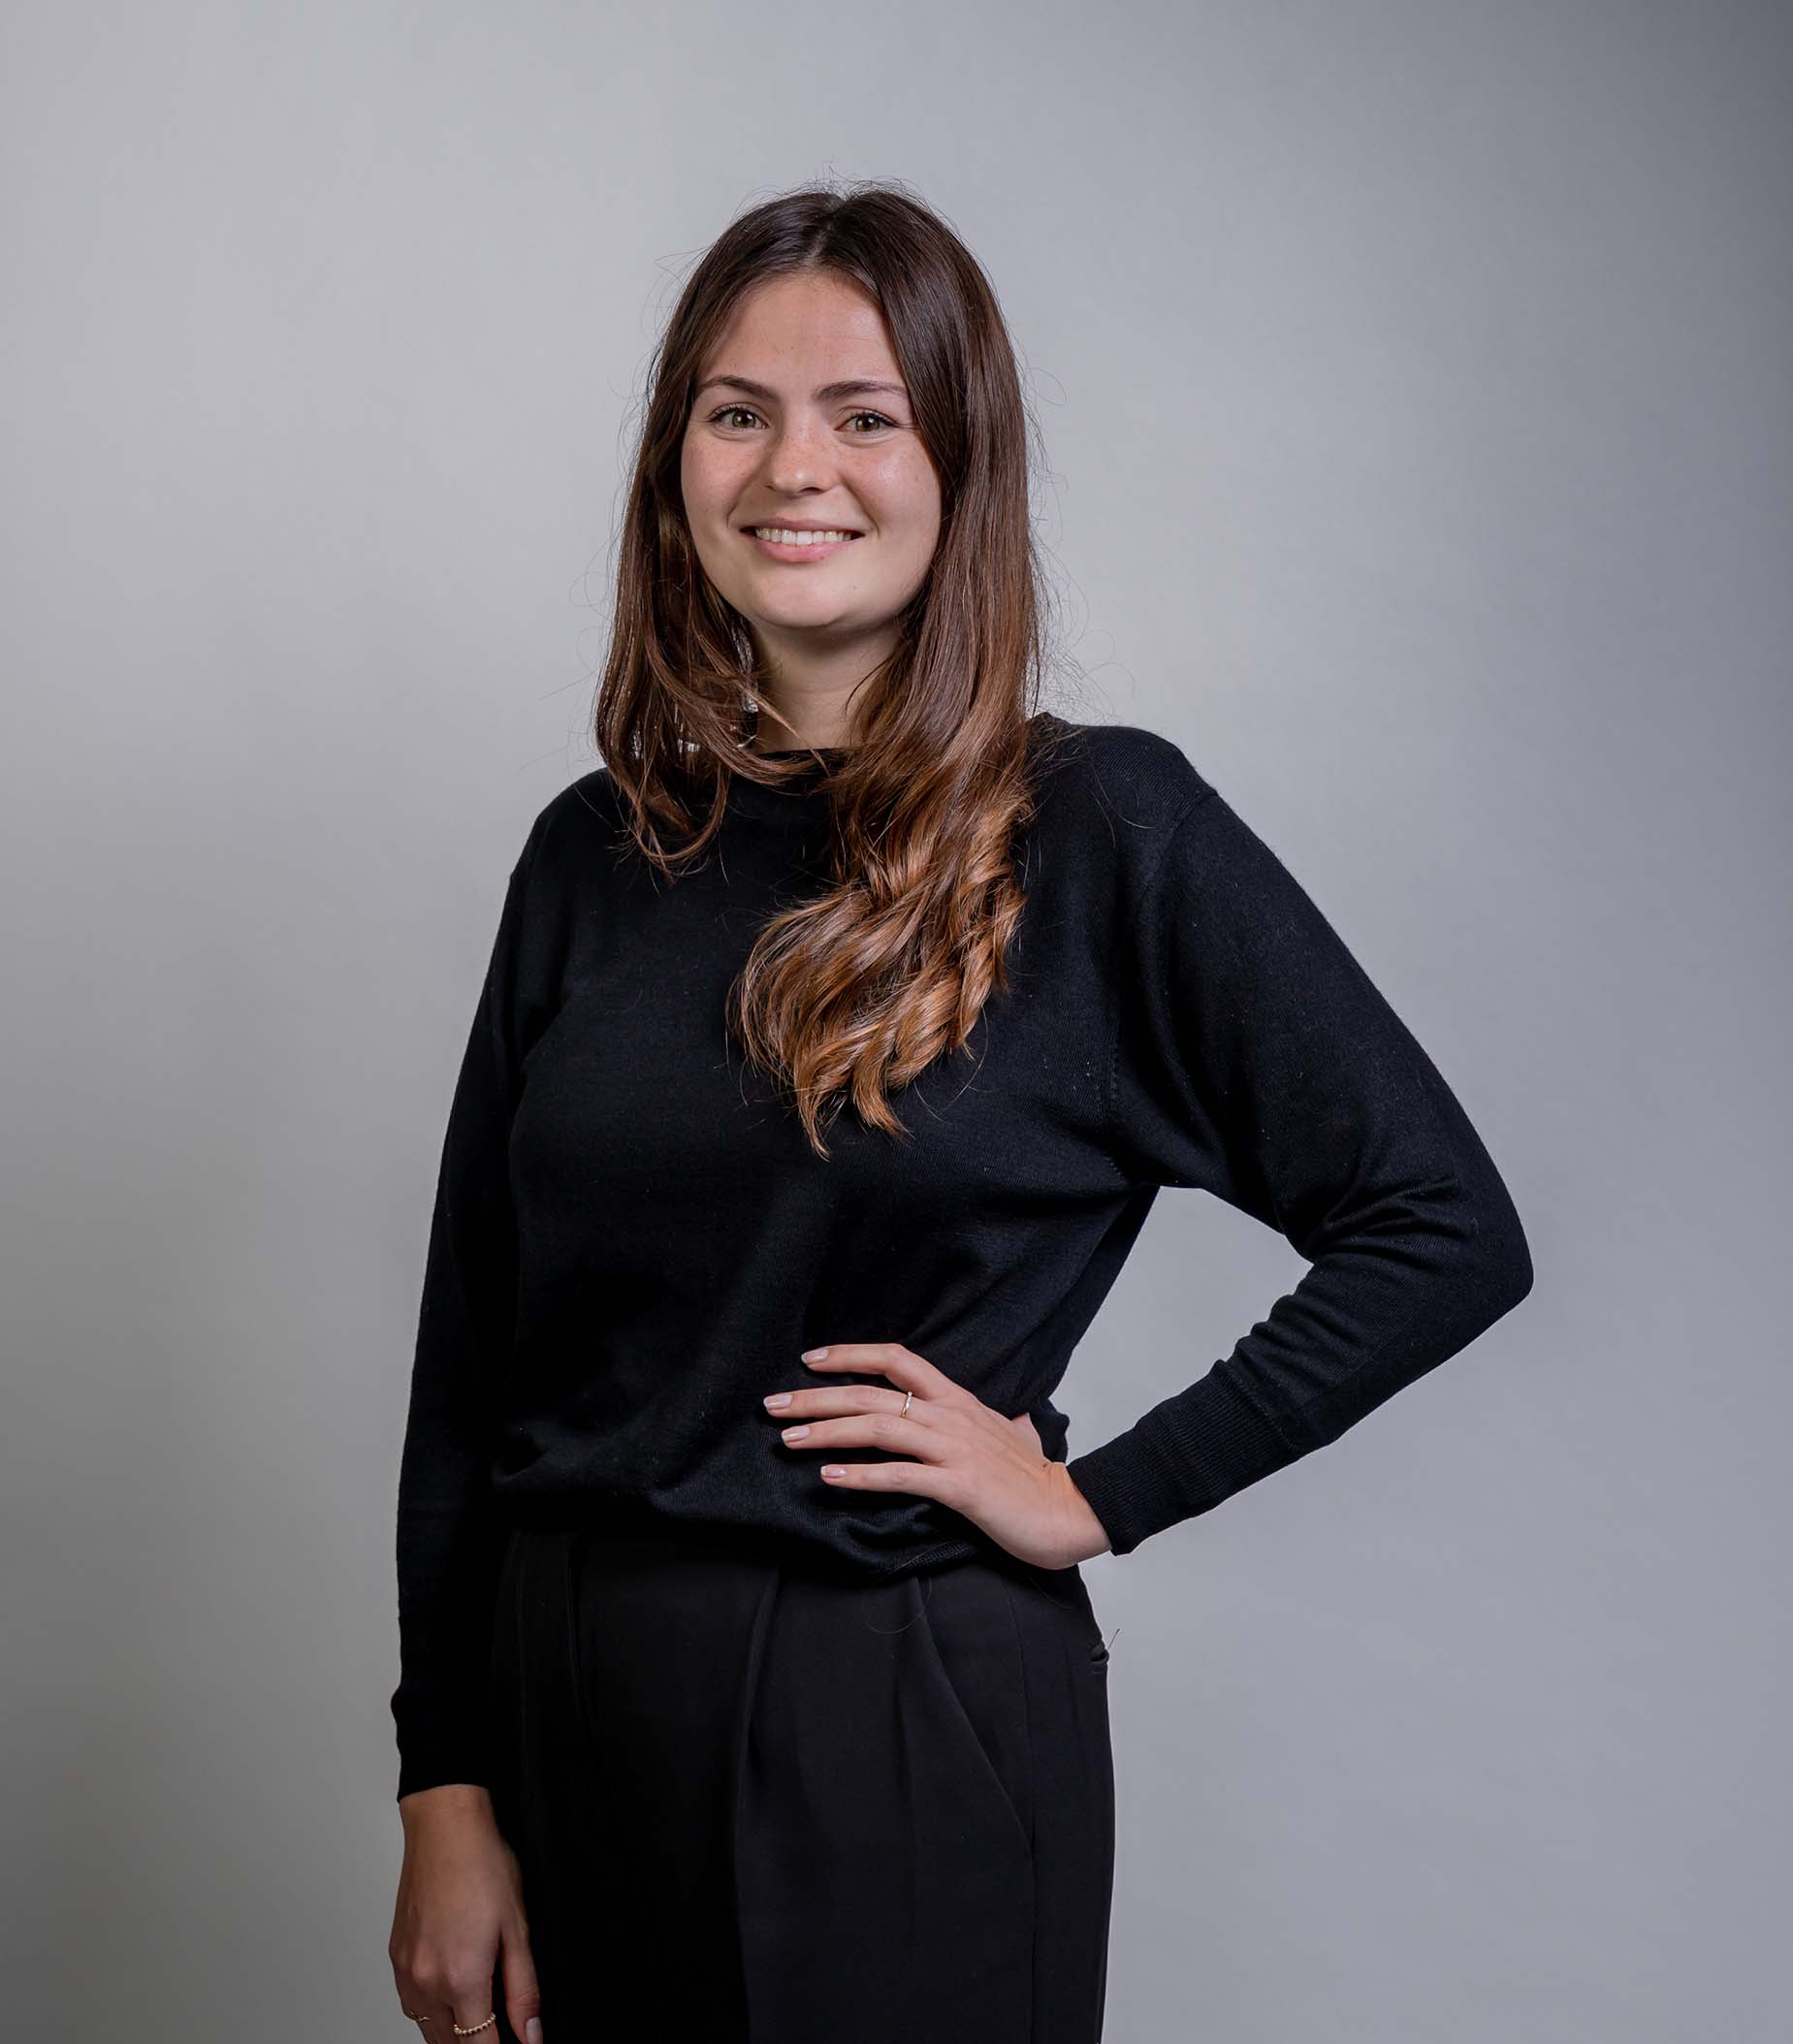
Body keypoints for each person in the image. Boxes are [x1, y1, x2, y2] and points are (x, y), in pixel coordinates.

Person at [385, 181, 1533, 2044]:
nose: (793, 469)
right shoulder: (591, 854)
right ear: (674, 465)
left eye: (864, 414)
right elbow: (475, 1351)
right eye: (737, 411)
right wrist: (443, 1780)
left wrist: (1098, 1495)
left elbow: (1441, 1226)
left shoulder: (1103, 832)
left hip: (896, 1705)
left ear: (959, 466)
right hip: (567, 1705)